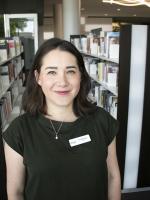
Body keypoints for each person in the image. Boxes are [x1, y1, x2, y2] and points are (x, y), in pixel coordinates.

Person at [3, 38, 121, 200]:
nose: (62, 82)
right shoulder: (19, 131)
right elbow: (15, 192)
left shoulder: (102, 120)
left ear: (80, 75)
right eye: (52, 72)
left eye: (70, 71)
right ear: (38, 77)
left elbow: (112, 176)